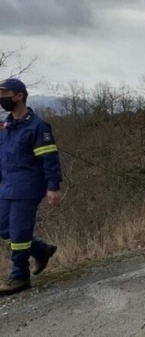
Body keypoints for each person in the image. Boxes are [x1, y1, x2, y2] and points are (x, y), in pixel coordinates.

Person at [0, 78, 62, 296]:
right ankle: (41, 250)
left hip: (27, 188)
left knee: (18, 233)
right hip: (7, 187)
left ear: (19, 96)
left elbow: (50, 159)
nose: (2, 97)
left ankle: (19, 277)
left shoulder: (38, 126)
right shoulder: (6, 126)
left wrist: (53, 186)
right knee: (4, 228)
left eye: (5, 93)